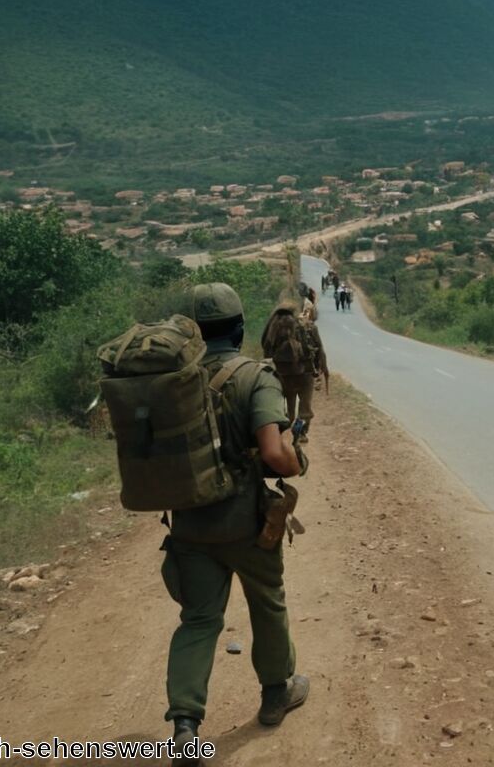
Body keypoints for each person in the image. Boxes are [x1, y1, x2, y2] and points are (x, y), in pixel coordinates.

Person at [161, 283, 308, 761]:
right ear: (241, 329)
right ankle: (275, 694)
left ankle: (185, 727)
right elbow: (274, 454)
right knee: (267, 601)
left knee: (199, 620)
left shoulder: (173, 380)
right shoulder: (254, 377)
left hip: (189, 524)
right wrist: (296, 461)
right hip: (246, 524)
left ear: (196, 332)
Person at [261, 303, 328, 443]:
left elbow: (266, 351)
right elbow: (320, 350)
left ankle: (283, 431)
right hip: (305, 373)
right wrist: (321, 370)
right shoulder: (308, 327)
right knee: (305, 408)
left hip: (284, 374)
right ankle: (301, 432)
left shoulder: (273, 328)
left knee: (289, 406)